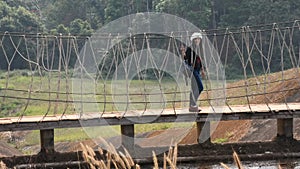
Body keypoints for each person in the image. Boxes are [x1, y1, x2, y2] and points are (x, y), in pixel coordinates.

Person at [184, 32, 205, 112]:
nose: (197, 40)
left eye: (198, 39)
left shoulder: (200, 48)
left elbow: (201, 60)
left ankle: (191, 106)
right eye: (195, 39)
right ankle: (193, 104)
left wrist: (203, 70)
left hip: (197, 70)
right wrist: (183, 53)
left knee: (193, 89)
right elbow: (186, 59)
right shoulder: (190, 48)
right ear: (193, 40)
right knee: (200, 87)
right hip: (192, 70)